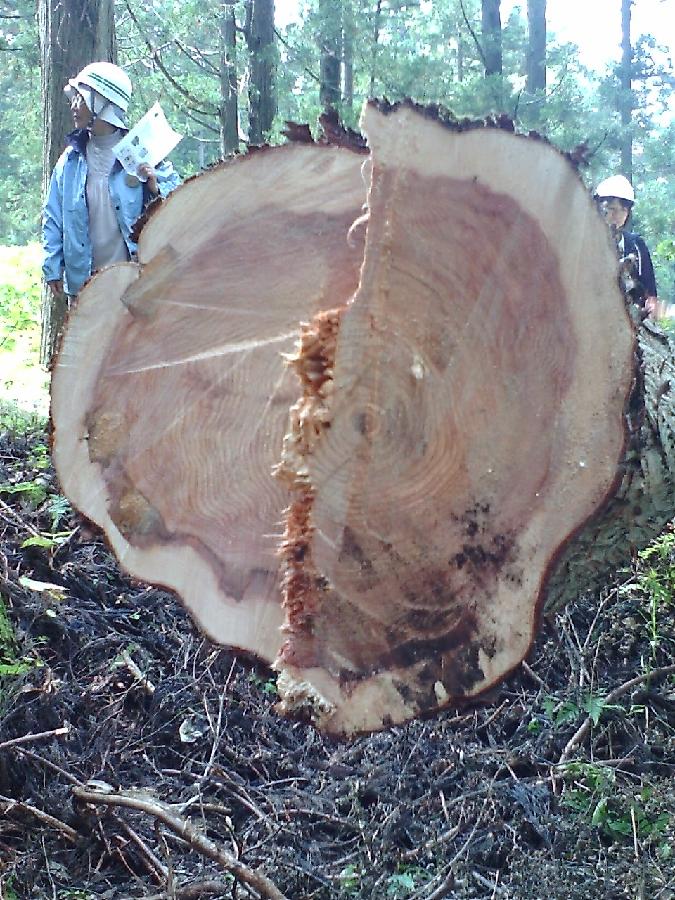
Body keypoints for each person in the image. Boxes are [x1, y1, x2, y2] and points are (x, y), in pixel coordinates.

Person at [42, 61, 181, 300]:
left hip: (135, 285)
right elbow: (53, 216)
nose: (74, 106)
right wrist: (52, 266)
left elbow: (178, 205)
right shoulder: (71, 160)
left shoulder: (143, 152)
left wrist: (155, 189)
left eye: (81, 98)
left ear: (103, 103)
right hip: (85, 287)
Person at [594, 175, 661, 316]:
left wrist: (648, 311)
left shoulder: (636, 244)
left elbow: (651, 294)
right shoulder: (583, 243)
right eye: (612, 209)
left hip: (629, 321)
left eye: (623, 210)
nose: (617, 216)